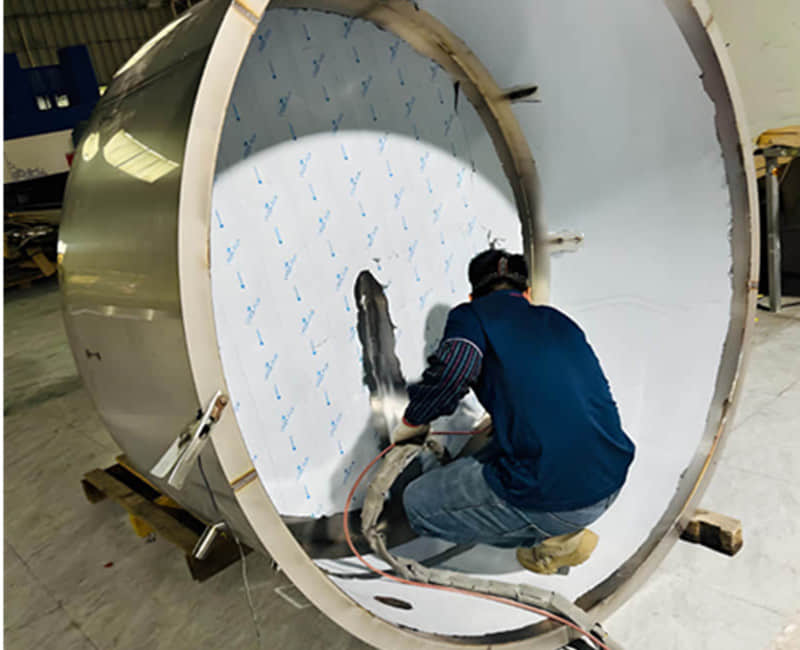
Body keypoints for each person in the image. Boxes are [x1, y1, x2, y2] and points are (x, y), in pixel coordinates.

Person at [391, 248, 635, 574]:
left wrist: (414, 419)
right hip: (614, 474)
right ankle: (561, 526)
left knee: (416, 503)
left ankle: (551, 539)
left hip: (560, 495)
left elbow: (455, 368)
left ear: (472, 295)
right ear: (528, 294)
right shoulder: (559, 321)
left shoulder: (471, 315)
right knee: (494, 437)